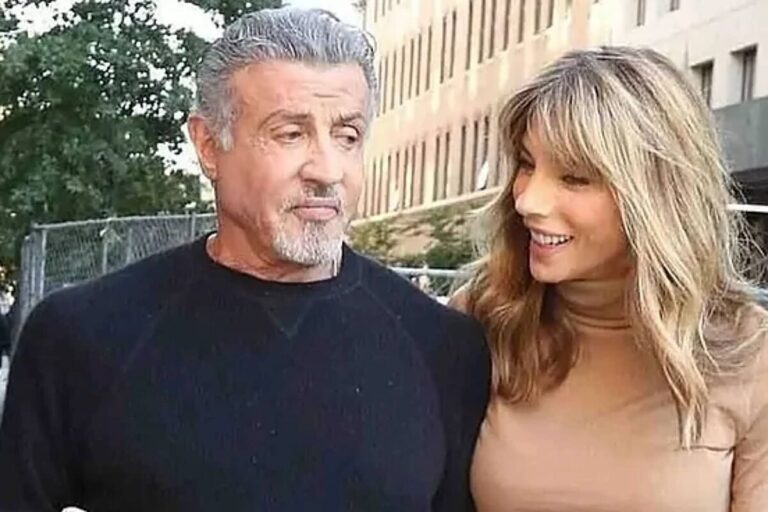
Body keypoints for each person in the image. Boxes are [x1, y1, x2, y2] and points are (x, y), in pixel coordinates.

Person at [0, 8, 490, 511]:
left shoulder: (444, 349)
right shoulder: (79, 338)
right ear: (208, 145)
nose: (327, 169)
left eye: (347, 136)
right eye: (290, 133)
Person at [452, 47, 768, 511]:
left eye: (575, 178)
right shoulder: (481, 317)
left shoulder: (749, 352)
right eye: (526, 163)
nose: (528, 201)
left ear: (657, 195)